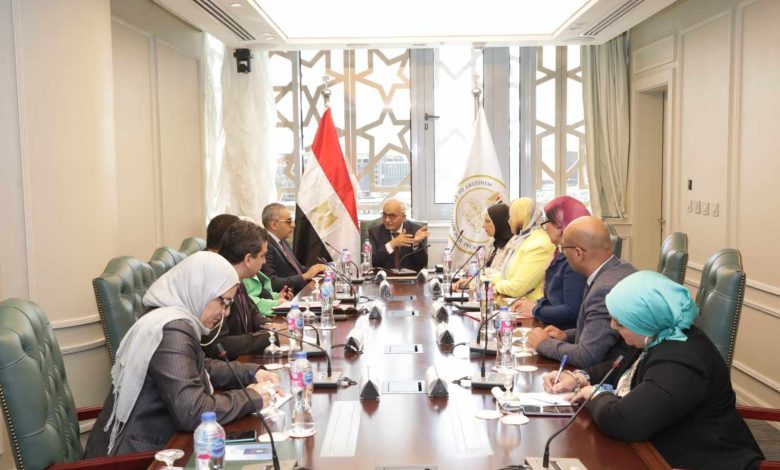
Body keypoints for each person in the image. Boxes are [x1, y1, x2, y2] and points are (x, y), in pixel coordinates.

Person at [544, 271, 764, 470]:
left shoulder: (681, 361)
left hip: (704, 461)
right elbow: (619, 366)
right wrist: (579, 377)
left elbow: (623, 421)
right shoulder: (659, 336)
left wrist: (595, 395)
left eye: (620, 323)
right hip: (662, 449)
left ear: (645, 321)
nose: (612, 326)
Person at [84, 251, 280, 457]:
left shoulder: (175, 318)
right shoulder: (172, 330)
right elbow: (192, 412)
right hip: (142, 456)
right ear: (201, 289)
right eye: (223, 302)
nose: (226, 312)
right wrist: (252, 397)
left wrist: (252, 372)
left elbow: (200, 366)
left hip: (165, 444)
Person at [528, 216, 635, 368]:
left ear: (578, 253)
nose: (562, 254)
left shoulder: (604, 290)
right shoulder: (620, 268)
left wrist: (543, 344)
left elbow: (586, 356)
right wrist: (566, 335)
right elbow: (601, 332)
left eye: (563, 249)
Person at [203, 220, 290, 359]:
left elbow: (252, 312)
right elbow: (218, 345)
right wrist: (270, 337)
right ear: (248, 259)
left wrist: (269, 325)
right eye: (262, 256)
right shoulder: (218, 285)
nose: (264, 261)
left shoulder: (237, 278)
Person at [510, 196, 590, 330]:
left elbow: (571, 312)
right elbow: (555, 298)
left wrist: (535, 309)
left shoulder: (574, 259)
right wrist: (536, 303)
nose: (545, 227)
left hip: (563, 333)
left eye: (547, 222)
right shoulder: (562, 253)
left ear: (561, 224)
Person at [490, 197, 554, 300]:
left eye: (511, 217)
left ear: (520, 217)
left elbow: (516, 288)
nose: (509, 221)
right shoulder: (526, 239)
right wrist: (489, 280)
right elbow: (506, 275)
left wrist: (494, 285)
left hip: (529, 306)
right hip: (514, 303)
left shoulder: (538, 244)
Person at [261, 203, 327, 293]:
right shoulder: (264, 246)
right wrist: (304, 276)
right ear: (274, 225)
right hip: (288, 296)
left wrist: (317, 270)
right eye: (288, 221)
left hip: (301, 290)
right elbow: (271, 283)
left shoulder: (282, 241)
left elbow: (297, 269)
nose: (293, 225)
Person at [452, 202, 513, 291]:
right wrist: (470, 281)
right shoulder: (493, 242)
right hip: (486, 291)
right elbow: (484, 270)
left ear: (498, 222)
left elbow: (501, 275)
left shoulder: (513, 246)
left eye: (487, 221)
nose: (483, 225)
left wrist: (474, 282)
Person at [369, 198, 429, 272]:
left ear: (403, 217)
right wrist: (392, 244)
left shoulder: (416, 231)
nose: (387, 220)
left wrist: (416, 244)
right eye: (384, 215)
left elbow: (423, 264)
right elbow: (373, 263)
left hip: (410, 278)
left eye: (392, 216)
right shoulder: (374, 233)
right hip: (385, 277)